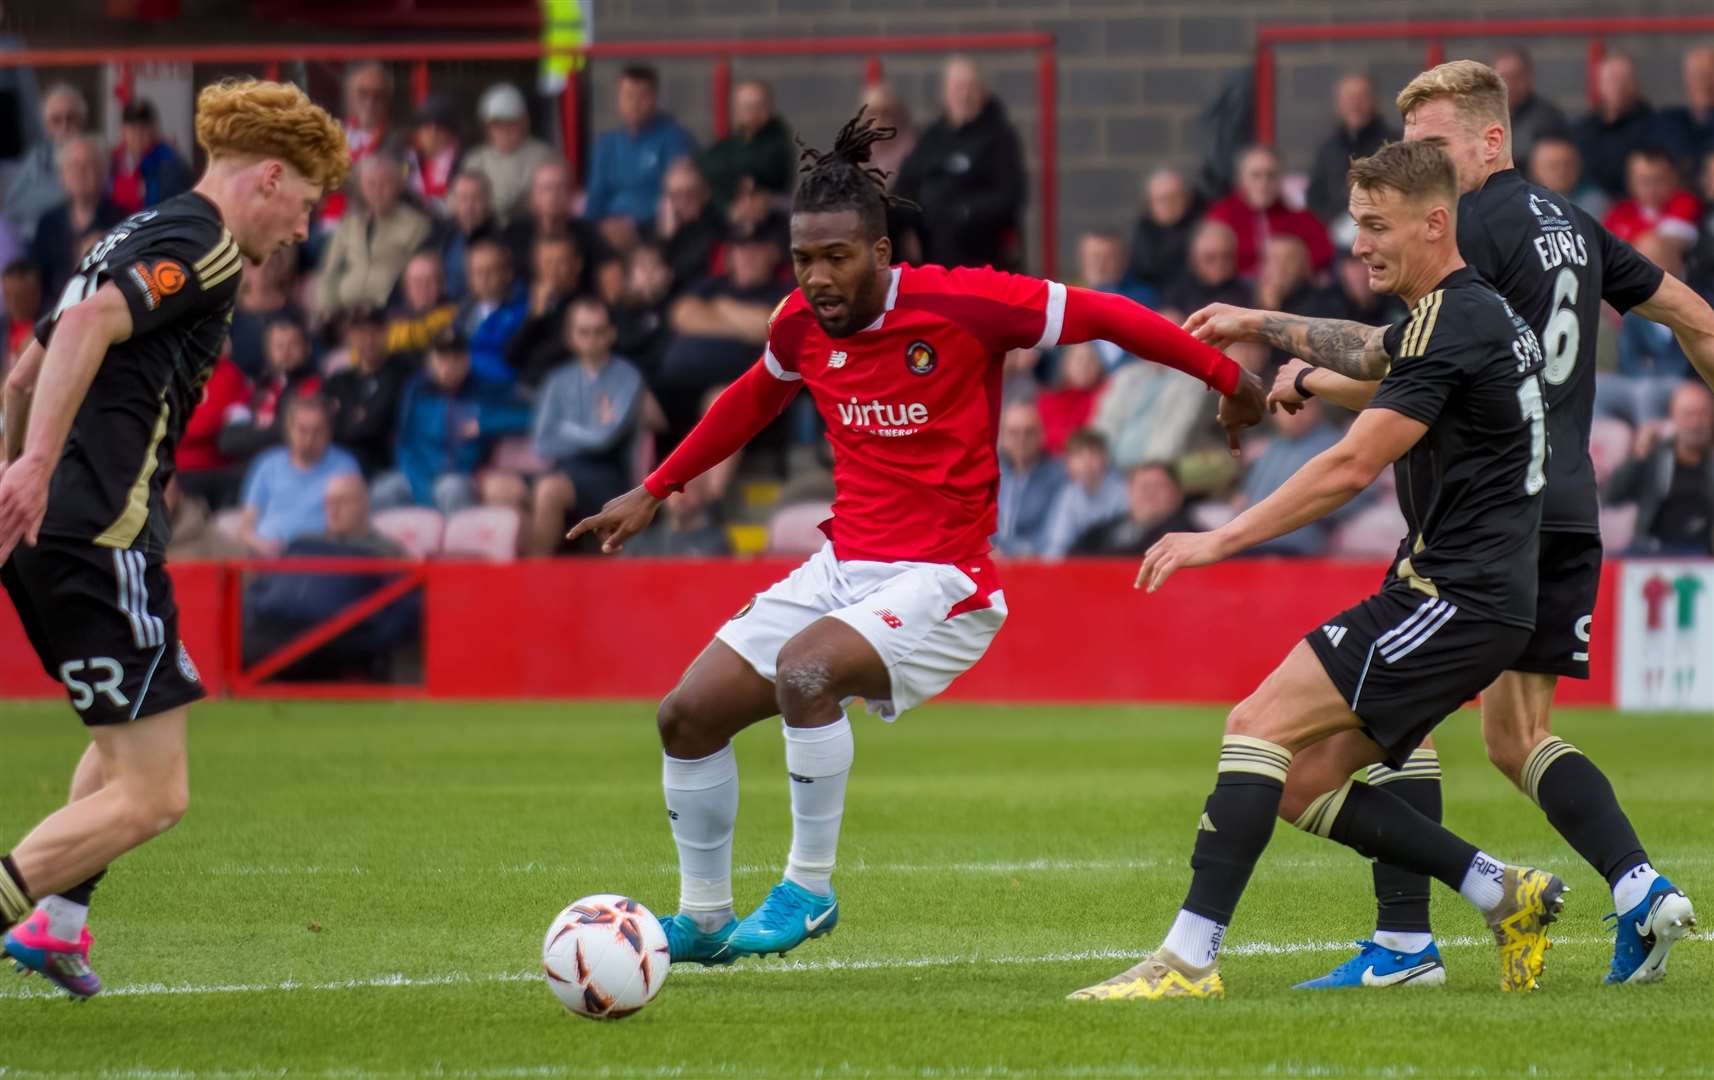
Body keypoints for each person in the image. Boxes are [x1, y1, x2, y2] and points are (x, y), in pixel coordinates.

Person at [566, 110, 1265, 967]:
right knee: (685, 716)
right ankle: (705, 919)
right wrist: (654, 486)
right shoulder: (797, 324)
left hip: (945, 579)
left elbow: (1113, 316)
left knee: (806, 672)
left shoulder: (966, 304)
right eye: (803, 261)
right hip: (843, 567)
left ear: (882, 253)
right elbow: (753, 395)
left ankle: (807, 891)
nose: (817, 279)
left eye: (836, 258)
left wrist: (1229, 378)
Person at [1203, 60, 1712, 990]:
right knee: (1514, 736)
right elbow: (1693, 317)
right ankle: (1635, 886)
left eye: (1433, 145)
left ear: (1490, 138)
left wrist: (1303, 369)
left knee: (1386, 715)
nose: (1415, 163)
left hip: (1481, 509)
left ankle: (1410, 941)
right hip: (1568, 503)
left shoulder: (1466, 230)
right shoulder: (1579, 227)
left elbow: (1432, 367)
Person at [1074, 139, 1574, 1003]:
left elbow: (1349, 468)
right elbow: (1371, 353)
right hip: (1479, 597)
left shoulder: (1454, 320)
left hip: (1453, 596)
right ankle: (1503, 892)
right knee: (1302, 782)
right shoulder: (1461, 312)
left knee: (1257, 724)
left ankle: (1188, 961)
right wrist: (1269, 332)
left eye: (1378, 227)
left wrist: (1214, 538)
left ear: (1435, 222)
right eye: (1356, 226)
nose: (1361, 246)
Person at [0, 78, 346, 998]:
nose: (303, 231)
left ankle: (58, 924)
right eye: (305, 207)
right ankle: (28, 903)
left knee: (127, 740)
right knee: (155, 795)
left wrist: (21, 481)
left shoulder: (131, 231)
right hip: (100, 534)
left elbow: (21, 374)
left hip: (64, 532)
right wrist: (32, 472)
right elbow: (79, 329)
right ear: (269, 179)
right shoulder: (208, 247)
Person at [526, 298, 645, 557]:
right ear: (571, 336)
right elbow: (542, 442)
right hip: (565, 469)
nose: (592, 339)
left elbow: (606, 439)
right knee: (504, 490)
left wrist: (565, 428)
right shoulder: (557, 380)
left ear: (611, 333)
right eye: (584, 332)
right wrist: (589, 429)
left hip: (609, 474)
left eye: (599, 331)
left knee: (548, 489)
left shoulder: (628, 377)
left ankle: (533, 583)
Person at [372, 329, 530, 516]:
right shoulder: (416, 389)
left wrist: (484, 423)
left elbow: (530, 416)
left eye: (456, 358)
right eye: (442, 358)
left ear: (467, 360)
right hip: (419, 476)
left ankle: (458, 544)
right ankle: (384, 546)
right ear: (430, 361)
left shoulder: (485, 389)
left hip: (460, 475)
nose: (449, 366)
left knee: (452, 489)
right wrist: (423, 490)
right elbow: (404, 444)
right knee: (382, 491)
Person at [894, 57, 1027, 270]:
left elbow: (1011, 196)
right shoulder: (931, 138)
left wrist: (962, 212)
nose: (964, 95)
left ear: (983, 92)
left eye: (971, 87)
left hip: (982, 257)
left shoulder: (1000, 138)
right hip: (933, 258)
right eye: (958, 87)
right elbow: (905, 186)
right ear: (944, 93)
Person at [584, 65, 696, 251]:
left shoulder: (674, 138)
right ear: (618, 100)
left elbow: (676, 197)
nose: (635, 104)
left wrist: (635, 227)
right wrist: (594, 227)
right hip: (609, 229)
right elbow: (596, 197)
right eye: (628, 96)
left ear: (654, 99)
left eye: (642, 96)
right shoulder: (607, 144)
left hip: (652, 229)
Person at [236, 393, 360, 556]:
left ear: (329, 432)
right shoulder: (266, 465)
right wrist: (262, 545)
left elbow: (353, 526)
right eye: (302, 430)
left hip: (323, 557)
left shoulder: (345, 465)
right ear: (289, 430)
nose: (309, 439)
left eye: (317, 431)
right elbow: (246, 527)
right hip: (268, 558)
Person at [314, 149, 432, 317]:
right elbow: (329, 271)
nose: (377, 190)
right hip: (345, 312)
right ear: (361, 187)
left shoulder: (416, 225)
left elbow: (416, 279)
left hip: (389, 313)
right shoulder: (349, 224)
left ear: (398, 185)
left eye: (385, 183)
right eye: (370, 183)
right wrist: (327, 308)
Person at [1602, 232, 1700, 425]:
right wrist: (1652, 378)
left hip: (1689, 384)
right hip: (1643, 384)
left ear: (1675, 263)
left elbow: (1688, 362)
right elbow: (1628, 361)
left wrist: (1654, 375)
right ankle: (1609, 445)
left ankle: (1648, 448)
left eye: (1654, 263)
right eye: (1639, 264)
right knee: (1600, 388)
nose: (1642, 273)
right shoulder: (1633, 310)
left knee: (1647, 392)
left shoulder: (1696, 301)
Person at [1229, 394, 1345, 555]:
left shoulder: (1337, 445)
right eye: (1286, 407)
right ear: (1274, 412)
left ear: (1318, 409)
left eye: (1304, 406)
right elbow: (1246, 497)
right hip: (1251, 540)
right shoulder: (1271, 448)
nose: (1295, 413)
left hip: (1296, 545)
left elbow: (1357, 493)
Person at [1607, 382, 1714, 555]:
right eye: (1688, 415)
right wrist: (1638, 455)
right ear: (1673, 417)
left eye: (1703, 414)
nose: (1695, 423)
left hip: (1704, 552)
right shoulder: (1655, 456)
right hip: (1652, 550)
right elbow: (1612, 495)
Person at [1205, 145, 1334, 278]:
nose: (1264, 183)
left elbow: (1324, 252)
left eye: (1271, 175)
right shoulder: (1222, 216)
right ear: (1241, 179)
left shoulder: (1297, 216)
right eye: (1256, 176)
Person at [30, 134, 125, 302]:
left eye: (89, 165)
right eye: (73, 166)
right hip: (54, 315)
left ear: (103, 173)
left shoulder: (121, 220)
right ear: (62, 176)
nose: (81, 172)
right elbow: (37, 284)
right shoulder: (47, 223)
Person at [217, 316, 321, 464]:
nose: (286, 353)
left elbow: (290, 434)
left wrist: (253, 432)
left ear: (307, 348)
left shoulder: (314, 387)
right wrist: (273, 431)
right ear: (268, 350)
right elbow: (228, 440)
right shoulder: (256, 386)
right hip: (250, 468)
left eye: (293, 345)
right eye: (279, 346)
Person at [324, 308, 413, 476]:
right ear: (350, 337)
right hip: (343, 469)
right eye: (361, 334)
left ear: (386, 332)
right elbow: (328, 428)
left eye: (375, 332)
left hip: (385, 468)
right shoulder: (338, 381)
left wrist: (351, 418)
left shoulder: (402, 373)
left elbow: (377, 425)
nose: (369, 340)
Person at [1306, 74, 1398, 225]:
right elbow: (1315, 198)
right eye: (1349, 98)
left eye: (1361, 97)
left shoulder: (1394, 144)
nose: (1355, 105)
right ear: (1338, 104)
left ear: (1375, 101)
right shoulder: (1327, 149)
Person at [459, 83, 554, 226]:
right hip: (483, 232)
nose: (504, 129)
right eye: (497, 123)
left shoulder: (544, 156)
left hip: (529, 231)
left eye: (511, 122)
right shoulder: (475, 159)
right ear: (486, 127)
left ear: (524, 122)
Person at [3, 83, 86, 245]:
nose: (65, 126)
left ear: (82, 121)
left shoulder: (95, 154)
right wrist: (65, 193)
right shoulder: (38, 157)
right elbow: (13, 206)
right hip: (38, 244)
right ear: (47, 126)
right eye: (56, 120)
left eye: (71, 118)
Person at [1574, 54, 1662, 199]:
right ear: (1599, 85)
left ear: (1636, 84)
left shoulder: (1655, 126)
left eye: (1625, 80)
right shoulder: (1583, 129)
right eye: (1612, 79)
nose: (1618, 87)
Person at [507, 235, 587, 391]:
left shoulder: (586, 306)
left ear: (577, 264)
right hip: (526, 390)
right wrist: (535, 316)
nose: (553, 270)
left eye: (560, 262)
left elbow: (561, 354)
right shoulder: (528, 303)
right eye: (547, 263)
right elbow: (511, 356)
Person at [697, 79, 794, 206]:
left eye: (758, 106)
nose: (752, 113)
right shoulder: (730, 143)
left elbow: (762, 170)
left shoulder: (777, 141)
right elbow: (706, 165)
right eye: (746, 107)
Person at [992, 399, 1064, 558]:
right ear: (1002, 436)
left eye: (1029, 432)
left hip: (1034, 567)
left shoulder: (1058, 476)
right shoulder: (991, 472)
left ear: (1041, 434)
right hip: (991, 564)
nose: (1021, 439)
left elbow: (1052, 536)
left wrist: (1007, 553)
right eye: (1014, 433)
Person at [1040, 427, 1127, 559]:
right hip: (1078, 569)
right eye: (1079, 455)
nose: (1087, 462)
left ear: (1105, 458)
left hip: (1115, 563)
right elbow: (1057, 544)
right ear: (1067, 463)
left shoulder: (1124, 491)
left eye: (1093, 454)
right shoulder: (1068, 495)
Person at [457, 239, 529, 386]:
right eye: (477, 272)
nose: (484, 278)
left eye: (491, 270)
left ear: (507, 273)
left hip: (502, 396)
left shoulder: (524, 312)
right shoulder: (460, 312)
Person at [227, 249, 302, 381]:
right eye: (254, 265)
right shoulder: (231, 313)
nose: (262, 270)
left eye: (270, 264)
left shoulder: (293, 308)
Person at [1603, 147, 1700, 248]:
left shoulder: (1685, 202)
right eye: (1643, 181)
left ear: (1673, 178)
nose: (1651, 188)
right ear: (1629, 181)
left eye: (1658, 180)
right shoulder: (1618, 213)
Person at [108, 99, 192, 216]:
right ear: (123, 131)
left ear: (154, 130)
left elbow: (169, 206)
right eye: (132, 128)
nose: (137, 134)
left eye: (143, 128)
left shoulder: (170, 163)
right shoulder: (113, 161)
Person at [1128, 168, 1203, 296]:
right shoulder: (1142, 236)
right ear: (1150, 204)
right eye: (1163, 199)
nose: (1170, 204)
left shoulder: (1201, 230)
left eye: (1176, 197)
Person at [1494, 47, 1568, 173]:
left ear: (1529, 77)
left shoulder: (1547, 118)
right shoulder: (1483, 117)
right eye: (1502, 77)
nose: (1508, 83)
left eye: (1515, 76)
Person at [656, 157, 725, 292]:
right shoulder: (662, 226)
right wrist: (664, 235)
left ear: (705, 193)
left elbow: (677, 275)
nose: (683, 201)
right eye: (676, 194)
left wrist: (668, 238)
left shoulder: (714, 226)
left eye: (690, 193)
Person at [1159, 220, 1247, 319]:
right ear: (1194, 258)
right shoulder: (1176, 293)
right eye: (1210, 258)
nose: (1219, 264)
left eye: (1227, 256)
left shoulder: (1248, 293)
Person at [438, 170, 500, 303]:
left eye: (476, 198)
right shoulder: (443, 233)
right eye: (463, 198)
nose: (469, 206)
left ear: (487, 201)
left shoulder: (499, 240)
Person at [383, 250, 457, 360]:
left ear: (442, 285)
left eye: (429, 281)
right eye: (417, 282)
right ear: (406, 287)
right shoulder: (390, 319)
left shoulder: (456, 316)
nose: (423, 288)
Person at [1660, 46, 1714, 176]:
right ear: (1686, 78)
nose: (1701, 81)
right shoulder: (1667, 122)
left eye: (1707, 74)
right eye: (1695, 75)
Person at [1526, 134, 1608, 219]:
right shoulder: (1520, 206)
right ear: (1534, 169)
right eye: (1553, 166)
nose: (1562, 171)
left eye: (1568, 164)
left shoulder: (1597, 203)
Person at [405, 93, 461, 214]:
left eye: (441, 126)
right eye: (426, 125)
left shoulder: (463, 162)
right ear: (417, 131)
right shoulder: (405, 160)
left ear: (451, 132)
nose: (433, 132)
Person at [1, 259, 42, 363]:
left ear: (36, 294)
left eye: (19, 297)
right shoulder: (2, 328)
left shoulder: (48, 329)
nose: (13, 304)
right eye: (8, 296)